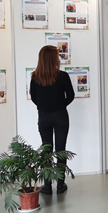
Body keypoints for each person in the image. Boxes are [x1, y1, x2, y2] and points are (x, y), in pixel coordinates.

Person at [30, 45, 75, 194]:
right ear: (54, 59)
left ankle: (47, 185)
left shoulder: (35, 77)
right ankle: (60, 185)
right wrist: (60, 105)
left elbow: (34, 98)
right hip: (61, 116)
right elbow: (71, 96)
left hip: (43, 117)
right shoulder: (63, 76)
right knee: (61, 150)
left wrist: (45, 107)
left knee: (46, 151)